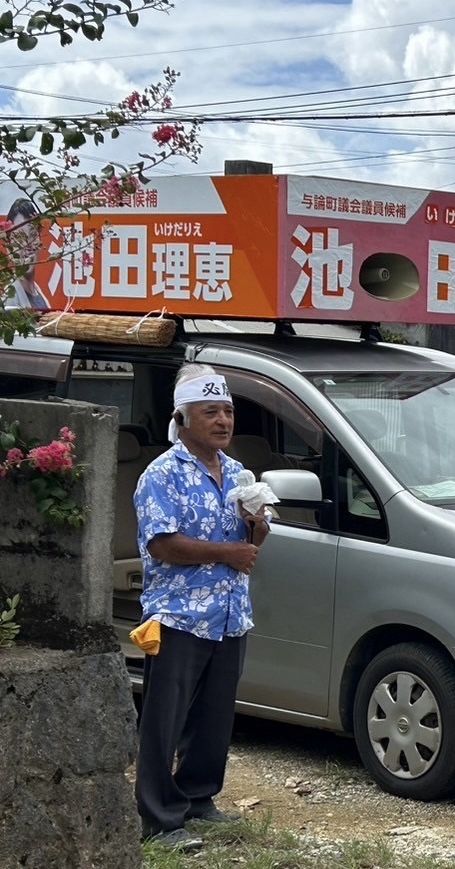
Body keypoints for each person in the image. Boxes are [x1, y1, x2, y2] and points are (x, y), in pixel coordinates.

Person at [133, 363, 270, 852]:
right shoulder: (162, 474)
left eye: (228, 412)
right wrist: (227, 552)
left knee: (214, 715)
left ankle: (198, 797)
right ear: (184, 417)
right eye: (210, 412)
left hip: (230, 613)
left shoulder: (238, 473)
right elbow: (163, 545)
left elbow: (253, 539)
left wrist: (257, 527)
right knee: (164, 719)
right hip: (178, 614)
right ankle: (159, 818)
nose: (223, 421)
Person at [2, 198, 50, 310]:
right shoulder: (10, 298)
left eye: (32, 235)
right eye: (19, 237)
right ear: (9, 247)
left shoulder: (36, 291)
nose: (27, 245)